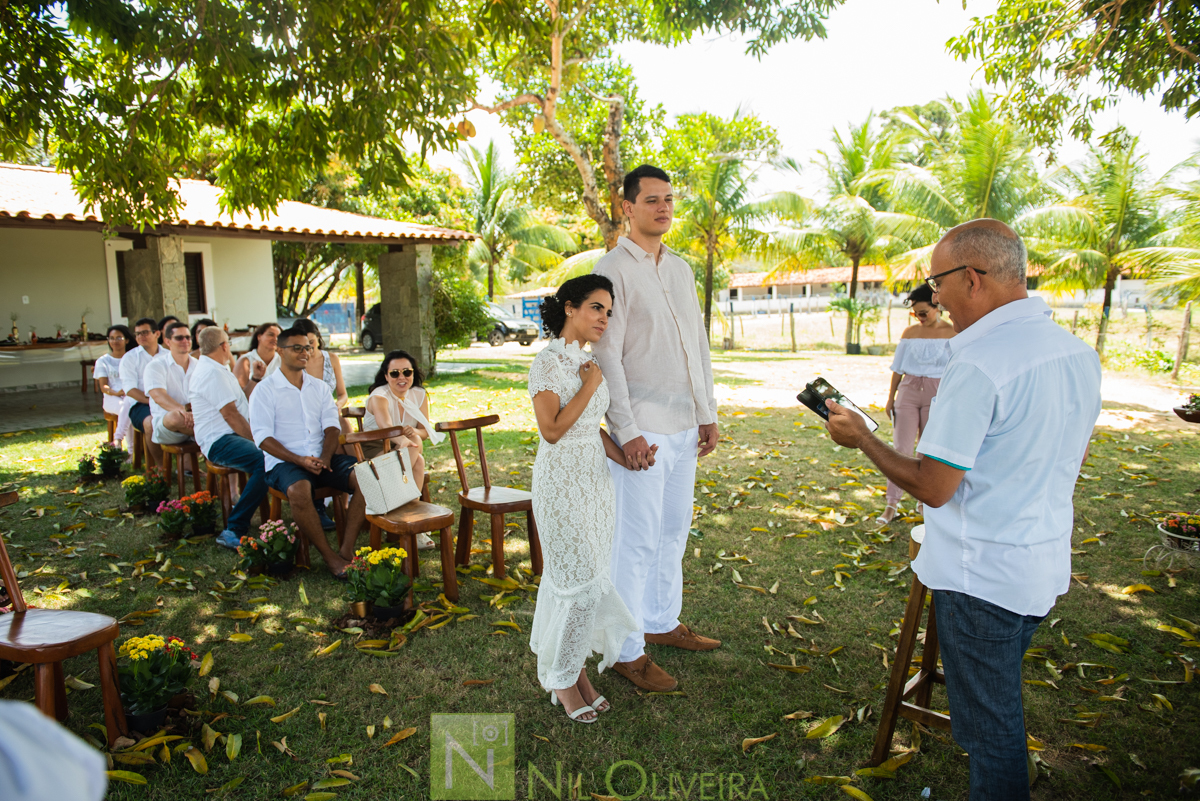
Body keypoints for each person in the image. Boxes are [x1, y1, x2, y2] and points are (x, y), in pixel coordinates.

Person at [824, 220, 1101, 801]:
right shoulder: (1076, 352)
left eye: (936, 281)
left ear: (971, 278)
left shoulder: (978, 365)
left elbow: (933, 485)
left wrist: (864, 441)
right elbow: (1066, 459)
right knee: (992, 701)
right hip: (1042, 564)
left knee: (993, 728)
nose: (934, 295)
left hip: (983, 579)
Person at [591, 164, 721, 693]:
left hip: (684, 426)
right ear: (627, 207)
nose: (663, 208)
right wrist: (626, 431)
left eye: (668, 199)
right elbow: (606, 357)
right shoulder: (612, 269)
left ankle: (662, 621)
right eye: (651, 200)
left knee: (673, 533)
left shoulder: (683, 269)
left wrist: (706, 412)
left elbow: (698, 344)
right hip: (641, 430)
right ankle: (626, 651)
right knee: (636, 542)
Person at [527, 274, 639, 724]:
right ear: (570, 307)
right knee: (575, 583)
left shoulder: (589, 363)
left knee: (591, 580)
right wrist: (590, 386)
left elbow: (591, 427)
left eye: (609, 312)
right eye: (597, 308)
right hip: (559, 484)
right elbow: (552, 430)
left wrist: (626, 456)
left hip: (594, 481)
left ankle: (574, 673)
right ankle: (560, 678)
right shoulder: (548, 362)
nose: (604, 319)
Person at [249, 326, 367, 576]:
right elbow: (263, 438)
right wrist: (299, 460)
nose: (304, 353)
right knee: (299, 490)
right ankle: (330, 558)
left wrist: (324, 458)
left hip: (321, 458)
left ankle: (346, 551)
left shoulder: (320, 388)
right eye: (297, 348)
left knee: (367, 478)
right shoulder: (265, 390)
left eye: (308, 347)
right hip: (285, 462)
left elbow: (332, 428)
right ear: (279, 350)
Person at [877, 284, 955, 525]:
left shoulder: (952, 334)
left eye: (923, 312)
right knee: (900, 449)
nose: (919, 318)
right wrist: (891, 398)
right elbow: (897, 369)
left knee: (927, 450)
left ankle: (923, 504)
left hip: (937, 392)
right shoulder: (910, 333)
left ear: (937, 307)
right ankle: (892, 503)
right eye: (916, 313)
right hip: (909, 391)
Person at [191, 326, 270, 550]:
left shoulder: (217, 368)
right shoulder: (211, 372)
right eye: (230, 344)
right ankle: (233, 528)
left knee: (275, 452)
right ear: (224, 346)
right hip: (219, 440)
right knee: (265, 460)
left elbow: (239, 403)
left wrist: (255, 378)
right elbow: (231, 415)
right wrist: (259, 442)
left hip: (229, 435)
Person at [362, 350, 442, 547]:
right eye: (395, 373)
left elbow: (424, 431)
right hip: (375, 447)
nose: (402, 377)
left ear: (413, 373)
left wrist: (411, 434)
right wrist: (402, 439)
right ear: (386, 376)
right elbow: (385, 426)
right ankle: (411, 521)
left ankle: (405, 516)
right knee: (418, 458)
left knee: (416, 448)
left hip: (403, 449)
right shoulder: (379, 396)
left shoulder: (419, 394)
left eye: (407, 372)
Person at [144, 320, 198, 447]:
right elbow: (158, 396)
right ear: (168, 342)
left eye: (188, 337)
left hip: (196, 419)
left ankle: (188, 464)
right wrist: (183, 411)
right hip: (167, 425)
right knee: (175, 417)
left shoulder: (199, 365)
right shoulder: (155, 366)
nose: (185, 341)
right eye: (179, 338)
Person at [119, 317, 163, 466]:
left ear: (157, 333)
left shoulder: (168, 355)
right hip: (141, 405)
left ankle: (188, 466)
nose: (140, 337)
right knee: (151, 423)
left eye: (145, 333)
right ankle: (162, 467)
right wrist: (153, 401)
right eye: (137, 334)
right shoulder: (130, 358)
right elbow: (130, 390)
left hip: (167, 402)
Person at [294, 319, 350, 428]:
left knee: (343, 424)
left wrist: (337, 405)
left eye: (311, 342)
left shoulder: (332, 359)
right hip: (303, 417)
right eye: (303, 344)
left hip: (329, 412)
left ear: (318, 338)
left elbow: (342, 394)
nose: (309, 347)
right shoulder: (295, 363)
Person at [93, 324, 137, 457]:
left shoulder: (133, 358)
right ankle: (130, 451)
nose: (114, 341)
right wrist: (116, 392)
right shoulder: (103, 361)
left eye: (119, 338)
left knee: (128, 405)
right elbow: (103, 387)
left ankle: (120, 443)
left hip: (130, 395)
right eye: (111, 338)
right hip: (111, 397)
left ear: (127, 340)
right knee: (127, 409)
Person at [234, 321, 281, 395]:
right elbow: (241, 397)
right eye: (271, 335)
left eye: (278, 336)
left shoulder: (283, 360)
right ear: (259, 337)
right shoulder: (245, 360)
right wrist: (255, 378)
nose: (275, 339)